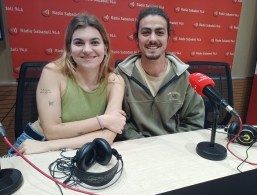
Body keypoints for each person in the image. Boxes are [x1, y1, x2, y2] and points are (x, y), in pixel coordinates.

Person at [2, 13, 126, 157]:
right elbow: (52, 132)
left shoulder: (115, 81)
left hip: (76, 146)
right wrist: (102, 121)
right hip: (35, 142)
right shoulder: (52, 72)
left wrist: (48, 146)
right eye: (79, 43)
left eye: (94, 42)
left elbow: (107, 136)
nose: (87, 49)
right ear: (70, 48)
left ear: (105, 48)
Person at [115, 7, 205, 140]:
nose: (152, 39)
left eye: (159, 32)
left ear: (168, 37)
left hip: (170, 148)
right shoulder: (121, 76)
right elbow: (118, 122)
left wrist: (168, 145)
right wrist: (144, 145)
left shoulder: (184, 78)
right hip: (133, 148)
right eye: (146, 32)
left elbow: (194, 122)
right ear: (136, 38)